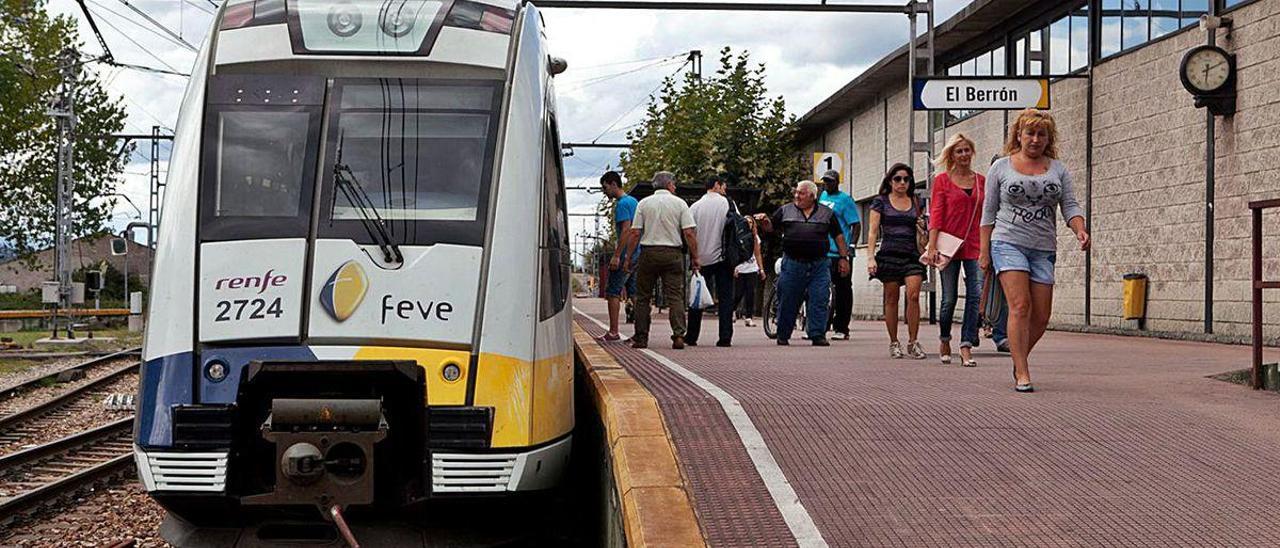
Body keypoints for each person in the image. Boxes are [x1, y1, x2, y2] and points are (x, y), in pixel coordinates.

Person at [979, 109, 1089, 393]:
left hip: (1043, 247)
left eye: (1041, 134)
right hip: (1007, 242)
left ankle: (1018, 357)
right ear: (1019, 134)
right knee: (1020, 306)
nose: (1035, 139)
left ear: (1048, 138)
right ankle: (1023, 373)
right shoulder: (1001, 167)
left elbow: (1070, 205)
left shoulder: (1058, 169)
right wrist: (984, 252)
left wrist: (1079, 229)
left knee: (1041, 316)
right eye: (1030, 133)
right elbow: (988, 213)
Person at [758, 180, 850, 346]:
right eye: (796, 192)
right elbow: (771, 228)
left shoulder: (826, 213)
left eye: (801, 193)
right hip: (793, 263)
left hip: (819, 264)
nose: (796, 196)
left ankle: (817, 334)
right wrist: (765, 223)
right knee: (787, 299)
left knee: (820, 299)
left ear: (812, 196)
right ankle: (783, 334)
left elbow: (839, 236)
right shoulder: (785, 210)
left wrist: (844, 258)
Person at [922, 134, 985, 367]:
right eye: (959, 151)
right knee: (948, 298)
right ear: (951, 155)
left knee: (975, 294)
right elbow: (936, 214)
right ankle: (945, 339)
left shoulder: (981, 181)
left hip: (975, 245)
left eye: (967, 150)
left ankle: (966, 345)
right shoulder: (942, 181)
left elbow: (987, 215)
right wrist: (931, 246)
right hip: (948, 246)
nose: (964, 155)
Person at [623, 172, 699, 350]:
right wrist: (695, 257)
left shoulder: (644, 203)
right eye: (674, 184)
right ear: (669, 184)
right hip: (673, 254)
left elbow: (635, 233)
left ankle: (641, 338)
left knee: (643, 298)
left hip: (648, 254)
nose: (675, 187)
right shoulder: (680, 203)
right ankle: (679, 335)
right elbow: (689, 232)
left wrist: (628, 258)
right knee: (675, 297)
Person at [867, 163, 927, 360]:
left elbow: (925, 229)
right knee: (892, 298)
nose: (902, 183)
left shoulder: (917, 201)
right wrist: (870, 257)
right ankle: (894, 341)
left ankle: (913, 341)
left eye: (906, 179)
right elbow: (873, 231)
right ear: (890, 181)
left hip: (912, 255)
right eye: (897, 179)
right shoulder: (880, 202)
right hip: (889, 254)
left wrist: (923, 228)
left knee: (914, 295)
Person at [686, 174, 734, 347]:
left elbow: (689, 232)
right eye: (723, 186)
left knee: (697, 296)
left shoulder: (695, 207)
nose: (725, 190)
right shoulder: (728, 203)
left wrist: (694, 256)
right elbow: (736, 226)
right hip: (723, 258)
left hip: (700, 259)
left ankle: (691, 336)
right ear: (716, 185)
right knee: (726, 298)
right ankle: (725, 337)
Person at [817, 169, 861, 341]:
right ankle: (820, 325)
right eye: (825, 181)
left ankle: (842, 327)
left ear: (837, 182)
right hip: (823, 250)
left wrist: (850, 246)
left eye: (830, 181)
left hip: (840, 252)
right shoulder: (822, 197)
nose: (827, 184)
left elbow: (856, 225)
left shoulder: (845, 200)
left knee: (843, 289)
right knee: (820, 289)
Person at [598, 171, 639, 342]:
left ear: (614, 184)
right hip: (637, 253)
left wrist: (617, 256)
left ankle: (613, 331)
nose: (604, 191)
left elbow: (626, 230)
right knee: (634, 293)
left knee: (613, 292)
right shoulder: (634, 201)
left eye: (605, 187)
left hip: (624, 255)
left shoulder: (622, 204)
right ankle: (640, 332)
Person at [733, 215, 766, 327]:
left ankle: (748, 317)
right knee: (738, 293)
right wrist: (734, 268)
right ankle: (732, 310)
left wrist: (761, 269)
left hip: (752, 268)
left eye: (751, 222)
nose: (749, 224)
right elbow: (734, 254)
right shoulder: (738, 236)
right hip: (740, 268)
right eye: (746, 222)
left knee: (750, 293)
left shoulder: (755, 238)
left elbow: (757, 253)